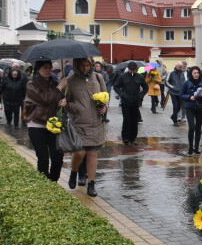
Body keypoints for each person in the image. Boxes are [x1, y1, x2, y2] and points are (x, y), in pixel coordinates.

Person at [62, 58, 107, 197]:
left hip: (95, 122)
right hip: (79, 121)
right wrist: (72, 106)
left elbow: (105, 96)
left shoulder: (98, 77)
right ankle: (74, 172)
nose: (85, 68)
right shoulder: (70, 79)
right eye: (82, 65)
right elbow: (66, 100)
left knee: (92, 153)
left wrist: (104, 107)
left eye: (88, 65)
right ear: (77, 65)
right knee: (80, 152)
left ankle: (91, 184)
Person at [23, 60, 66, 181]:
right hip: (37, 124)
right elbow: (44, 99)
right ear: (38, 70)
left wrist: (62, 101)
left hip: (53, 124)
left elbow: (56, 101)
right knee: (43, 158)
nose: (48, 70)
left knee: (58, 157)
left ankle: (52, 182)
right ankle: (44, 185)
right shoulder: (32, 84)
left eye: (50, 68)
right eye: (45, 68)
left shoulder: (54, 83)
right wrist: (60, 87)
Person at [114, 61, 148, 146]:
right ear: (128, 69)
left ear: (136, 69)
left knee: (134, 120)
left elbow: (145, 87)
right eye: (131, 70)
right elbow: (116, 86)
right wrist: (121, 94)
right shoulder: (122, 76)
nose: (132, 71)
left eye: (134, 70)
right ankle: (125, 138)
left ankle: (133, 138)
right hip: (125, 102)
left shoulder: (139, 76)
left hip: (135, 102)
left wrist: (141, 95)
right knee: (126, 120)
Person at [179, 66, 202, 155]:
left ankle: (196, 148)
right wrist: (189, 97)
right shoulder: (186, 83)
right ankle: (190, 147)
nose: (196, 75)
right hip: (190, 107)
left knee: (198, 128)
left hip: (200, 107)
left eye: (198, 73)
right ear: (191, 74)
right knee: (191, 127)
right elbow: (181, 95)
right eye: (194, 73)